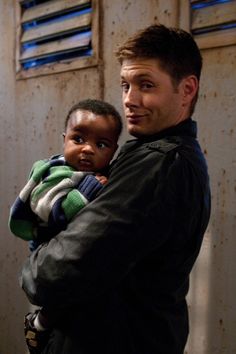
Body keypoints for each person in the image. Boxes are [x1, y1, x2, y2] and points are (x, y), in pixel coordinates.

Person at [20, 24, 211, 354]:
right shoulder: (162, 155)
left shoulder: (160, 163)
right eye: (125, 85)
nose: (129, 100)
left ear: (187, 89)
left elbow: (58, 271)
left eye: (146, 85)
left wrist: (34, 266)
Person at [9, 98, 122, 249]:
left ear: (113, 151)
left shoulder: (109, 173)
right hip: (48, 250)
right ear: (64, 140)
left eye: (101, 144)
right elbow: (51, 213)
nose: (88, 149)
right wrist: (84, 192)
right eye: (78, 139)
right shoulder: (53, 171)